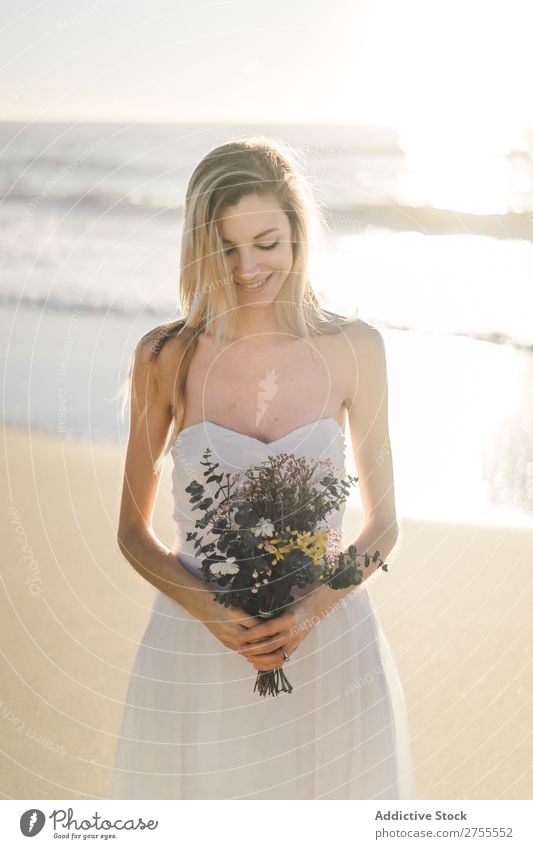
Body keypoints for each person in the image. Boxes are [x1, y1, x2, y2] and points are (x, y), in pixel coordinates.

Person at [109, 137, 416, 800]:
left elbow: (384, 523)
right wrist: (207, 607)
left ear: (299, 234)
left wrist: (310, 610)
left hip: (328, 645)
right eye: (226, 247)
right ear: (200, 247)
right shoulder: (166, 356)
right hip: (196, 647)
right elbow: (132, 529)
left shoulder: (354, 348)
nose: (247, 266)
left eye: (266, 242)